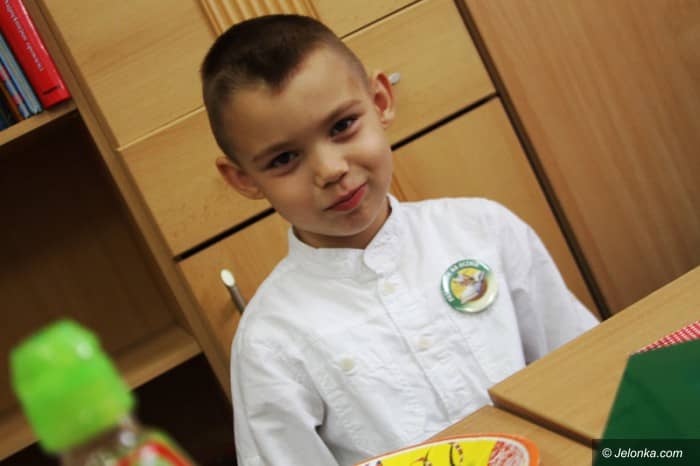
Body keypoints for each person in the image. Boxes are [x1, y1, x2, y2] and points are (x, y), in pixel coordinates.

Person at [200, 14, 598, 466]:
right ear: (244, 179)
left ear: (380, 101)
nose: (330, 169)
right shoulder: (269, 340)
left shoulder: (484, 229)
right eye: (284, 158)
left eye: (341, 126)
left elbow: (584, 368)